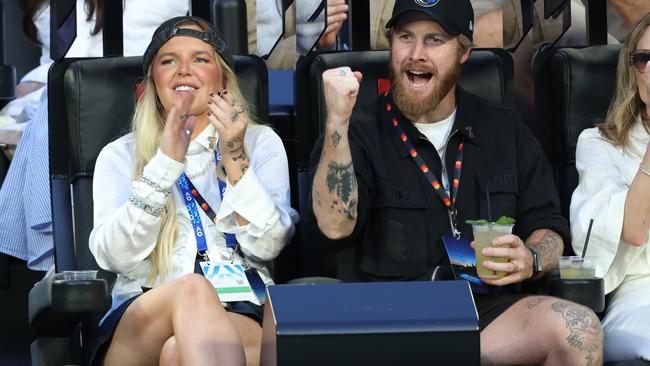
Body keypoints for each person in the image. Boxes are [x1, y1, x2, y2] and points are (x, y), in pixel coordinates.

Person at [309, 0, 603, 364]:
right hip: (385, 317)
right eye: (405, 37)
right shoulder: (355, 130)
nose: (416, 54)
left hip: (487, 313)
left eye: (434, 40)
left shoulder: (503, 128)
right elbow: (334, 226)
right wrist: (336, 122)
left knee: (580, 329)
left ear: (464, 51)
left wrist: (531, 258)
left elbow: (550, 229)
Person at [88, 16, 298, 365]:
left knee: (177, 354)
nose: (184, 70)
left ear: (222, 77)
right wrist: (164, 165)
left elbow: (268, 245)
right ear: (153, 80)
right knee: (192, 289)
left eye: (200, 59)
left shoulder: (260, 143)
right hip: (143, 316)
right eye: (169, 61)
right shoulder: (119, 155)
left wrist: (234, 155)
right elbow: (114, 256)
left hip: (241, 309)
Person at [0, 0, 188, 273]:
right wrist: (36, 81)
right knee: (48, 109)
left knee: (53, 111)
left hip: (141, 85)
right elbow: (56, 56)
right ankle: (68, 252)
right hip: (57, 85)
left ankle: (70, 255)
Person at [571, 13, 650, 362]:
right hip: (640, 295)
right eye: (645, 59)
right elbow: (632, 230)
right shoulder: (599, 144)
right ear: (633, 72)